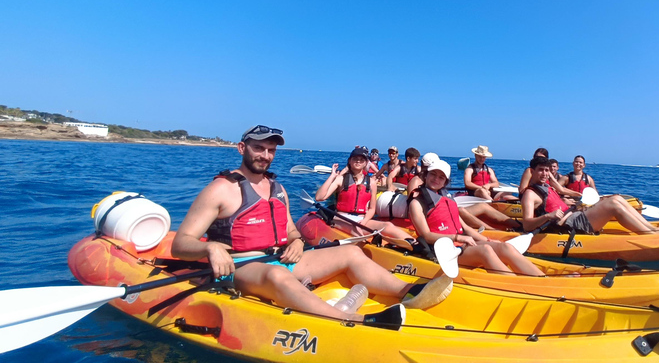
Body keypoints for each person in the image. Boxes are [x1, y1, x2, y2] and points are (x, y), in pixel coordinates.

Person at [172, 125, 452, 330]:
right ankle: (353, 319)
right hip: (240, 267)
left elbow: (292, 231)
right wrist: (209, 247)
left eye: (271, 150)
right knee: (276, 277)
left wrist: (295, 242)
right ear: (242, 148)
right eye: (259, 148)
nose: (266, 155)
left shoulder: (277, 188)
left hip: (280, 260)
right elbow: (181, 243)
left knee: (351, 253)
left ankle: (410, 292)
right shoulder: (220, 189)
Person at [408, 159, 545, 276]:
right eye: (433, 174)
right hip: (443, 250)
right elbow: (426, 235)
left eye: (441, 177)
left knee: (505, 248)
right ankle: (517, 285)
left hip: (460, 245)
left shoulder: (447, 201)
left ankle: (541, 279)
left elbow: (465, 228)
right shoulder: (417, 203)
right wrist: (457, 238)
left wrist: (488, 240)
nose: (436, 179)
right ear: (425, 175)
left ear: (445, 182)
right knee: (485, 251)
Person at [520, 156, 659, 235]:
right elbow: (527, 225)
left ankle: (653, 229)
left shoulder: (547, 185)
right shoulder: (530, 194)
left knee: (616, 198)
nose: (545, 173)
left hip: (575, 213)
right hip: (569, 225)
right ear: (532, 171)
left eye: (547, 170)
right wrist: (548, 216)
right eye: (541, 170)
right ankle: (652, 234)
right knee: (613, 205)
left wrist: (568, 202)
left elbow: (556, 199)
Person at [316, 147, 412, 239]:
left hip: (361, 219)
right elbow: (319, 197)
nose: (358, 161)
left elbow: (372, 209)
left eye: (361, 159)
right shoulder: (341, 179)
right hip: (341, 218)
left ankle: (415, 243)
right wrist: (332, 176)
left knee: (388, 225)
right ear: (350, 161)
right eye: (355, 159)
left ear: (366, 163)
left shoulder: (372, 183)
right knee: (355, 231)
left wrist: (365, 221)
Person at [509, 148, 579, 202]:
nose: (539, 160)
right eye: (536, 157)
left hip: (546, 197)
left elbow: (560, 189)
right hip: (535, 199)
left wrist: (578, 194)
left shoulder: (548, 173)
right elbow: (522, 190)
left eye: (542, 158)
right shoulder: (530, 171)